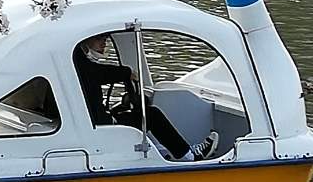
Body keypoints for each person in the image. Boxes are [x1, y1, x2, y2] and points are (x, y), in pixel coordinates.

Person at [73, 34, 219, 162]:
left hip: (91, 122)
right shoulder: (79, 62)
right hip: (97, 125)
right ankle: (190, 156)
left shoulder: (78, 60)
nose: (104, 43)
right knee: (151, 115)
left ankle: (165, 152)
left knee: (137, 114)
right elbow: (95, 74)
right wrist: (127, 72)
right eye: (100, 39)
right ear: (86, 40)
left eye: (105, 39)